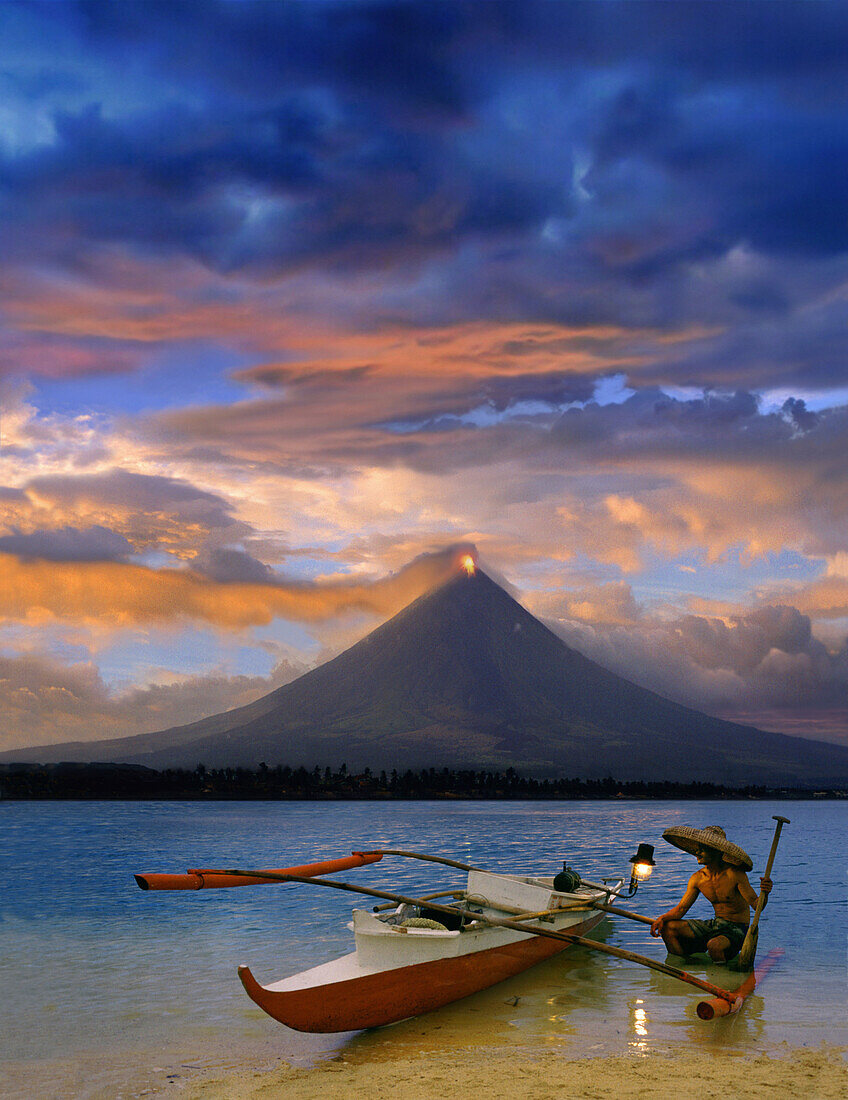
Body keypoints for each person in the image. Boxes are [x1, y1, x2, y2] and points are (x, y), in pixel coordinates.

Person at [650, 825, 772, 963]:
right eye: (697, 848)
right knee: (668, 928)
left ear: (716, 851)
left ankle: (719, 977)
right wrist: (661, 919)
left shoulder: (735, 875)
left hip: (737, 929)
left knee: (714, 945)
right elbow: (681, 909)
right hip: (715, 924)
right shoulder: (698, 878)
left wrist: (765, 893)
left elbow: (757, 906)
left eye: (703, 849)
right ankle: (684, 966)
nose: (697, 852)